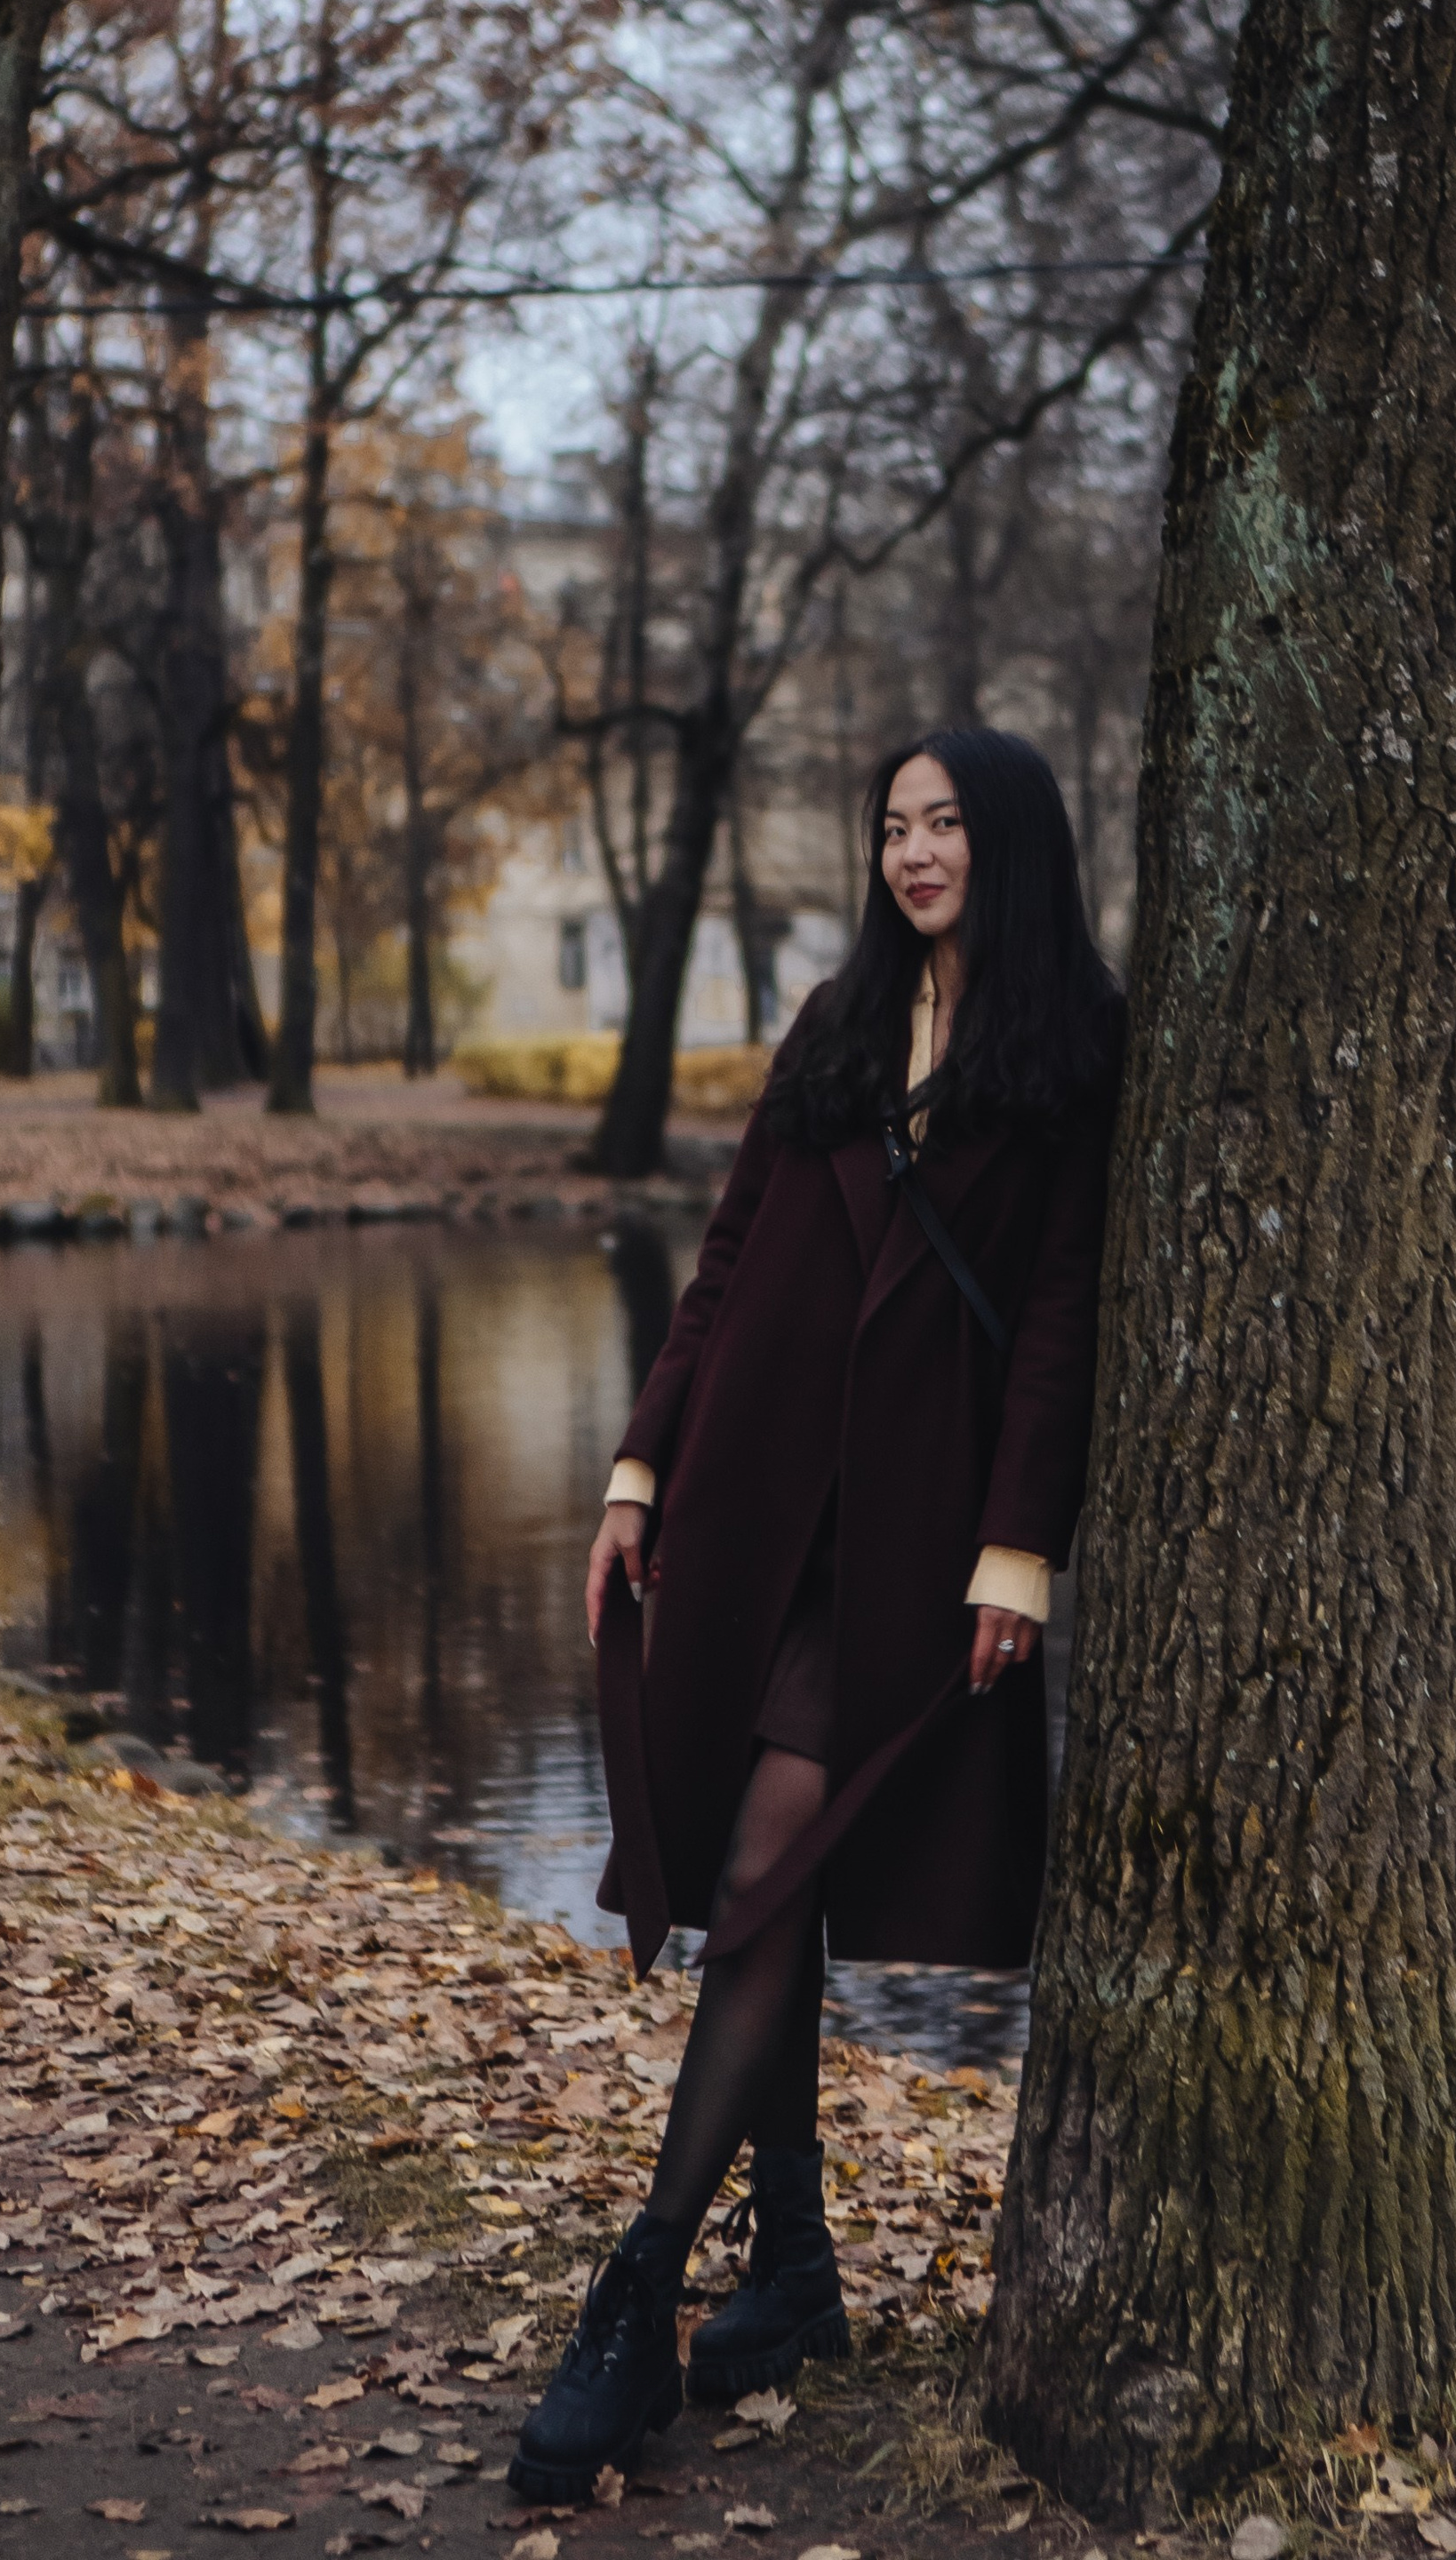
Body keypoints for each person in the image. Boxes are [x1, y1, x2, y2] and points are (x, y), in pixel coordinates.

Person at [510, 727, 1125, 2502]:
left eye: (942, 826)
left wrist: (1018, 1549)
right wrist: (638, 1469)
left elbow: (1069, 1312)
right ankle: (785, 2267)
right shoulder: (838, 1025)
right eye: (891, 827)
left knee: (778, 1864)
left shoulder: (1071, 1048)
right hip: (760, 1512)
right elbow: (719, 1272)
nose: (912, 852)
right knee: (752, 1870)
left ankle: (640, 2295)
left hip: (920, 1534)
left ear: (1003, 844)